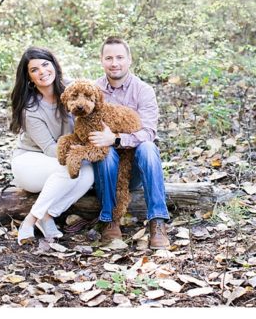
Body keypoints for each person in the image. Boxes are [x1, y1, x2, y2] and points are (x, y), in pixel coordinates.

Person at [88, 36, 171, 249]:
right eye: (109, 58)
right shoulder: (94, 90)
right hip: (106, 169)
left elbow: (149, 132)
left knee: (149, 147)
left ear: (129, 59)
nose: (114, 63)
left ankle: (158, 221)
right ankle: (110, 220)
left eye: (119, 57)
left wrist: (116, 139)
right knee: (105, 153)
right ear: (101, 60)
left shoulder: (143, 90)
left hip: (134, 168)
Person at [9, 47, 94, 243]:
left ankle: (47, 217)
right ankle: (29, 221)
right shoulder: (30, 108)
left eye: (45, 64)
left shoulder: (73, 89)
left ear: (54, 65)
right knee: (69, 167)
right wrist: (82, 152)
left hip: (62, 157)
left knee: (89, 173)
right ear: (29, 77)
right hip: (29, 162)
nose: (42, 72)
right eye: (34, 69)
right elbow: (49, 149)